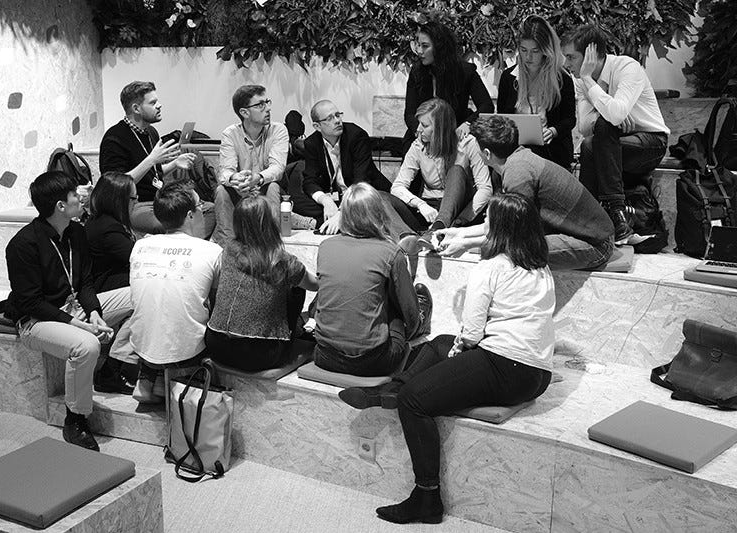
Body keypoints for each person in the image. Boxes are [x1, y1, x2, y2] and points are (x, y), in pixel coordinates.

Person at [339, 192, 555, 525]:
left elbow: (470, 332)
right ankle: (390, 388)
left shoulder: (492, 267)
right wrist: (455, 348)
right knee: (439, 343)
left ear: (498, 229)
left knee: (415, 401)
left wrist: (460, 351)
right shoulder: (540, 267)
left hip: (505, 366)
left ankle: (426, 498)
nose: (483, 227)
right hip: (537, 375)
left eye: (488, 223)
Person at [5, 171, 134, 450]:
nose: (82, 197)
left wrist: (95, 312)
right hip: (36, 320)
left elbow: (85, 281)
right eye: (76, 194)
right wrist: (79, 325)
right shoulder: (22, 245)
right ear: (60, 206)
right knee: (87, 345)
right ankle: (75, 419)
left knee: (140, 295)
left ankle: (111, 370)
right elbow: (30, 302)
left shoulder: (76, 231)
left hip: (74, 307)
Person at [433, 116, 614, 271]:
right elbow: (500, 224)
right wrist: (457, 234)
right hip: (583, 235)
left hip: (596, 245)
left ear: (487, 153)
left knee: (507, 254)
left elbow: (511, 235)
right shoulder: (516, 160)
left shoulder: (518, 173)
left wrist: (465, 244)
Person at [562, 24, 669, 243]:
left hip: (650, 142)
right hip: (612, 144)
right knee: (593, 139)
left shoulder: (627, 67)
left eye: (571, 57)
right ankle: (610, 218)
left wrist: (590, 81)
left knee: (599, 135)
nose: (566, 64)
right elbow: (584, 127)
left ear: (591, 54)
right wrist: (610, 116)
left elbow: (617, 114)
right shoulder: (580, 81)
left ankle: (589, 220)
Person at [313, 183, 433, 377]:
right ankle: (423, 321)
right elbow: (408, 311)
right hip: (373, 362)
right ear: (379, 214)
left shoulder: (325, 247)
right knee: (396, 307)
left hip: (324, 355)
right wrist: (413, 327)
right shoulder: (391, 253)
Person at [127, 182, 222, 403]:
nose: (203, 211)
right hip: (186, 352)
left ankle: (147, 380)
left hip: (142, 346)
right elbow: (217, 304)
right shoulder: (212, 251)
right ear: (190, 215)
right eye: (201, 207)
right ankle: (175, 384)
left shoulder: (140, 245)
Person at [205, 196, 318, 371]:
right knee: (296, 288)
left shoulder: (228, 250)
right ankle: (295, 332)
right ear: (269, 223)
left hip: (216, 345)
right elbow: (315, 285)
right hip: (260, 354)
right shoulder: (282, 261)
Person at [99, 81, 196, 235]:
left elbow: (153, 174)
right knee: (174, 224)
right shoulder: (114, 138)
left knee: (207, 210)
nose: (160, 105)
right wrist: (151, 159)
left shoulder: (151, 132)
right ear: (136, 108)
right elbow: (115, 188)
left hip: (159, 199)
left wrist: (175, 163)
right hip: (134, 204)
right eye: (153, 102)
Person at [391, 98, 492, 240]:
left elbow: (485, 188)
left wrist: (462, 219)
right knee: (382, 198)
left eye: (424, 125)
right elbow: (397, 186)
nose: (418, 129)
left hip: (459, 211)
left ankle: (437, 231)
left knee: (456, 170)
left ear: (440, 129)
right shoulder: (418, 146)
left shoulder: (468, 143)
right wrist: (420, 204)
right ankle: (409, 238)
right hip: (430, 208)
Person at [293, 99, 392, 235]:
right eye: (330, 118)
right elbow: (310, 180)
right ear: (317, 126)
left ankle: (334, 220)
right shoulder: (312, 143)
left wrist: (341, 212)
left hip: (362, 194)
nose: (337, 121)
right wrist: (326, 201)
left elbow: (361, 180)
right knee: (296, 202)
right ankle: (342, 221)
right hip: (336, 197)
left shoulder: (356, 136)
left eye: (338, 115)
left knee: (369, 205)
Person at [496, 15, 576, 169]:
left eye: (535, 51)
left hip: (551, 149)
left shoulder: (562, 79)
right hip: (516, 147)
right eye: (524, 50)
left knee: (527, 159)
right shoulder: (508, 77)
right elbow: (502, 117)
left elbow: (569, 119)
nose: (528, 57)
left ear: (546, 51)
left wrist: (553, 131)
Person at [212, 85, 287, 244]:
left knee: (274, 186)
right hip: (241, 190)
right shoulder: (230, 134)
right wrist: (235, 179)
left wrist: (258, 178)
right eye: (260, 105)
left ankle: (271, 244)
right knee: (221, 190)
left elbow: (278, 168)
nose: (267, 109)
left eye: (267, 102)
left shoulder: (278, 130)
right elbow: (225, 171)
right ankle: (228, 247)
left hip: (264, 187)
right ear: (244, 112)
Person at [85, 171, 140, 389]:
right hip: (99, 294)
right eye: (133, 199)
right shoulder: (107, 228)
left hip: (109, 286)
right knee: (146, 295)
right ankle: (114, 367)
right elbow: (137, 258)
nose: (136, 203)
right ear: (119, 200)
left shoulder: (107, 222)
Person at [404, 20, 493, 153]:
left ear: (439, 47)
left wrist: (468, 124)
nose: (419, 51)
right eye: (418, 45)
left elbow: (486, 106)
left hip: (454, 130)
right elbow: (409, 113)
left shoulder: (464, 71)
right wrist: (419, 129)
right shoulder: (417, 71)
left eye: (425, 46)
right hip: (424, 131)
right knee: (408, 145)